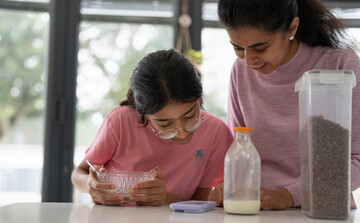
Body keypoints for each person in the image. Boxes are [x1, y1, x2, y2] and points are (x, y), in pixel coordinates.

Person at [209, 0, 360, 209]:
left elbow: (356, 159)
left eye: (260, 48)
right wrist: (229, 187)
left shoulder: (340, 66)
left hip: (325, 214)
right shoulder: (240, 71)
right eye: (238, 48)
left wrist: (289, 196)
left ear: (292, 28)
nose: (249, 60)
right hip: (259, 212)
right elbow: (240, 151)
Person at [71, 49, 233, 206]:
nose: (182, 132)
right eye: (165, 124)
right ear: (144, 114)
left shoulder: (215, 131)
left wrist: (164, 199)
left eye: (190, 116)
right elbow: (79, 173)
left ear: (200, 98)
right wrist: (91, 186)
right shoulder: (121, 120)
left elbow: (201, 205)